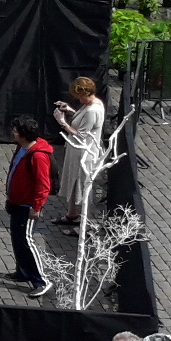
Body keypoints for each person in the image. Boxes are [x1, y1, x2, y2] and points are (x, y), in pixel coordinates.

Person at [3, 115, 55, 297]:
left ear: (23, 135)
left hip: (27, 206)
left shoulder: (38, 156)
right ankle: (23, 271)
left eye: (16, 131)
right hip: (17, 202)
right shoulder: (23, 147)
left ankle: (41, 280)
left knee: (27, 241)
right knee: (18, 239)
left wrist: (37, 207)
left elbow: (43, 184)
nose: (13, 133)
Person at [51, 76, 106, 232]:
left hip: (84, 154)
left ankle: (86, 225)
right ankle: (72, 214)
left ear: (85, 94)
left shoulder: (92, 110)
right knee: (74, 183)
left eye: (79, 96)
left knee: (83, 186)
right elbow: (83, 122)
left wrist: (62, 121)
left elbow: (80, 135)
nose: (78, 99)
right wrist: (69, 110)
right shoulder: (91, 105)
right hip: (77, 151)